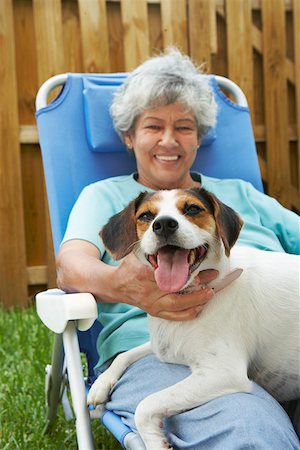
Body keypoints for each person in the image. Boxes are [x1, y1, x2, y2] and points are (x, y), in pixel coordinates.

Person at [57, 48, 300, 449]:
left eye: (184, 127)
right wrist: (124, 286)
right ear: (128, 135)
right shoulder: (105, 198)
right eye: (153, 126)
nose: (169, 140)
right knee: (252, 431)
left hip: (277, 340)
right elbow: (69, 268)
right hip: (172, 359)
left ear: (199, 136)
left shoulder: (240, 196)